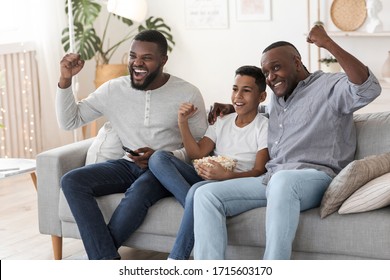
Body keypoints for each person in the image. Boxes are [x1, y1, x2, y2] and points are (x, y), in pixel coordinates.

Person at [195, 25, 382, 260]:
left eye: (276, 68)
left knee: (283, 182)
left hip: (316, 178)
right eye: (266, 73)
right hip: (273, 180)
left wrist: (328, 43)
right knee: (206, 196)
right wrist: (234, 107)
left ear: (296, 62)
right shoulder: (277, 99)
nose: (271, 77)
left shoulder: (329, 87)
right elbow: (260, 110)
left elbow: (369, 89)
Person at [57, 30, 208, 260]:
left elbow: (201, 147)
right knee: (72, 181)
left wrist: (166, 156)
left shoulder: (187, 93)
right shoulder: (112, 90)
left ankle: (102, 262)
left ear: (163, 61)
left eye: (146, 57)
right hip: (128, 165)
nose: (137, 63)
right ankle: (106, 261)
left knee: (139, 192)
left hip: (163, 170)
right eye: (132, 56)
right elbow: (70, 121)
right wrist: (66, 80)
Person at [148, 65, 270, 260]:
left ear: (262, 97)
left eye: (246, 91)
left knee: (198, 192)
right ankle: (195, 204)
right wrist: (182, 123)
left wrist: (228, 175)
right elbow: (197, 154)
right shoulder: (222, 121)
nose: (238, 96)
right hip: (207, 176)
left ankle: (175, 260)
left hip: (234, 182)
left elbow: (259, 171)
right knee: (158, 158)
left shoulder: (263, 127)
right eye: (235, 89)